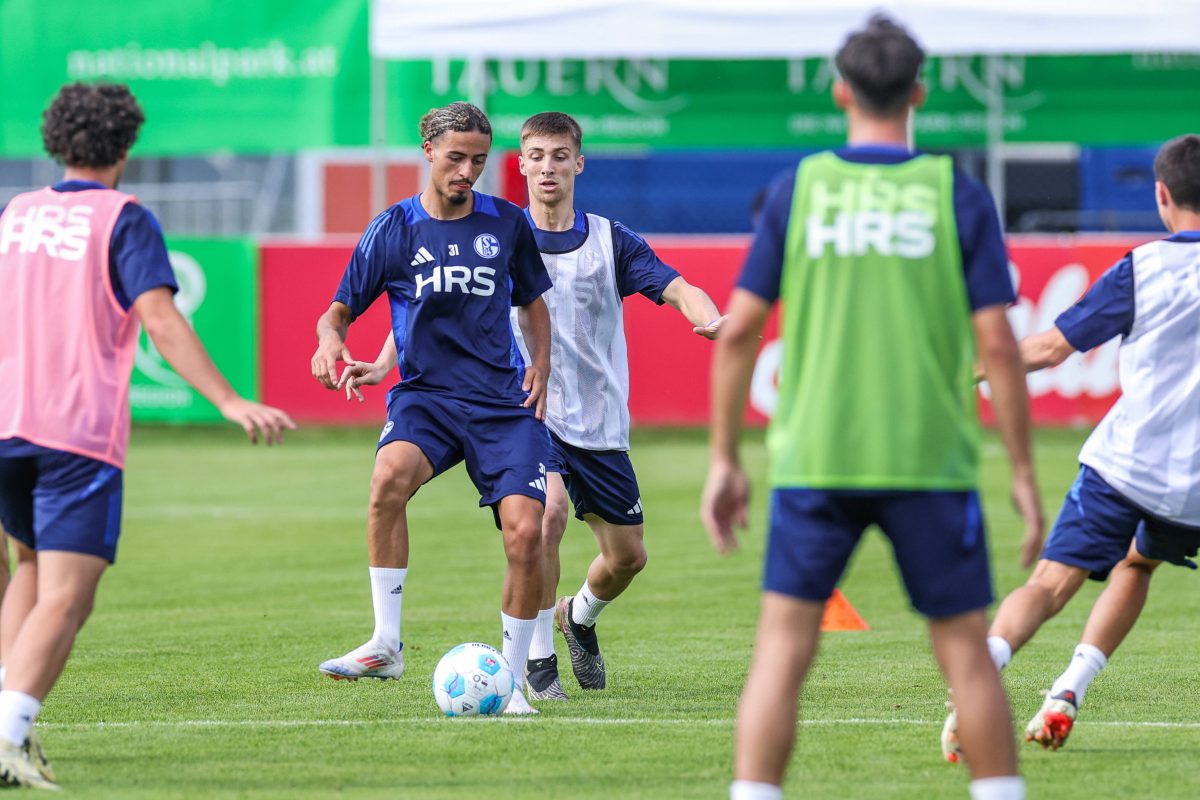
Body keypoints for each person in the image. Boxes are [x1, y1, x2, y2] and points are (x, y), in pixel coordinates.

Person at [700, 15, 1042, 800]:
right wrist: (1022, 471)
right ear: (920, 92)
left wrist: (725, 459)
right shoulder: (955, 193)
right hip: (929, 457)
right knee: (962, 652)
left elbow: (740, 330)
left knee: (782, 651)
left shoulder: (800, 190)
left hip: (817, 456)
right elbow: (997, 345)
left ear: (839, 91)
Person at [339, 111, 726, 699]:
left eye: (559, 156)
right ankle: (535, 665)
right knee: (544, 516)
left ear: (577, 164)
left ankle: (578, 618)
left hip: (598, 423)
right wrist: (386, 360)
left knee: (627, 558)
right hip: (525, 406)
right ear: (521, 164)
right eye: (536, 156)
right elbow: (430, 300)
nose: (547, 167)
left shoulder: (607, 240)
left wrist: (708, 317)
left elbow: (677, 287)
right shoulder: (486, 228)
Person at [0, 82, 295, 790]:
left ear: (55, 140)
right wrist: (226, 399)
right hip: (73, 432)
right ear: (127, 147)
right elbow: (160, 317)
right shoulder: (123, 218)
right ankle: (7, 736)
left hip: (6, 424)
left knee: (31, 568)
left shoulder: (17, 213)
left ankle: (11, 724)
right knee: (69, 595)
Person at [958, 133, 1200, 752]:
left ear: (1162, 195)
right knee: (1137, 562)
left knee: (1048, 583)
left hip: (1123, 466)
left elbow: (1049, 348)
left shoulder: (1145, 267)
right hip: (1193, 492)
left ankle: (981, 679)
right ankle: (1070, 686)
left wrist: (966, 369)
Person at [310, 102, 553, 715]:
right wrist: (330, 341)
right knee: (387, 479)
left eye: (478, 159)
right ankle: (386, 643)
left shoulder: (509, 223)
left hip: (501, 404)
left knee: (528, 533)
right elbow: (339, 309)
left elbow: (532, 303)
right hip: (427, 399)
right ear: (427, 151)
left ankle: (514, 679)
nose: (467, 170)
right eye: (456, 158)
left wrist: (542, 362)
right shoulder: (392, 229)